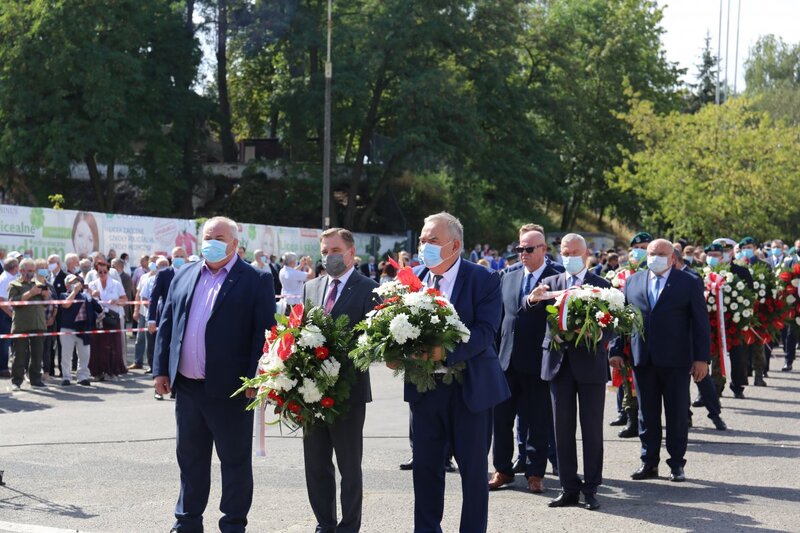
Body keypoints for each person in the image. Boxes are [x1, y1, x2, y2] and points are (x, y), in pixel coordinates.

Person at [153, 216, 275, 533]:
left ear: (235, 243)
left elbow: (264, 334)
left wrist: (255, 379)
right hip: (188, 390)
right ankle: (187, 521)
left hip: (232, 391)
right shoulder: (183, 275)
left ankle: (233, 524)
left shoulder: (255, 279)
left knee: (234, 464)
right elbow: (168, 324)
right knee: (190, 461)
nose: (211, 241)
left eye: (219, 236)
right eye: (207, 236)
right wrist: (161, 370)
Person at [408, 212, 510, 533]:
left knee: (473, 473)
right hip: (425, 392)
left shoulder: (484, 280)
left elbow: (485, 332)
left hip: (471, 391)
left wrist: (443, 353)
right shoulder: (410, 279)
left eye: (432, 241)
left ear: (455, 245)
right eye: (423, 240)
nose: (425, 246)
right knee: (425, 470)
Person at [610, 239, 711, 483]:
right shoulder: (633, 281)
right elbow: (624, 318)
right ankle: (648, 462)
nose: (654, 257)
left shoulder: (688, 282)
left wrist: (701, 359)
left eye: (661, 254)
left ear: (673, 258)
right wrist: (616, 349)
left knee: (676, 414)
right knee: (647, 413)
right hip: (643, 358)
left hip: (676, 360)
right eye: (651, 253)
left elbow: (700, 324)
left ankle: (676, 463)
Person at [301, 228, 380, 533]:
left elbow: (372, 343)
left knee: (349, 466)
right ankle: (325, 523)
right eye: (325, 251)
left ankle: (349, 526)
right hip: (310, 392)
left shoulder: (368, 289)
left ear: (350, 252)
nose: (329, 256)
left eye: (335, 250)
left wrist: (338, 358)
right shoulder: (312, 287)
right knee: (316, 465)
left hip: (349, 392)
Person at [528, 233, 611, 510]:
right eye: (565, 251)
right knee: (561, 430)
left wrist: (595, 333)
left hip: (590, 366)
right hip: (558, 365)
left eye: (575, 252)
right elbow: (529, 316)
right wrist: (531, 300)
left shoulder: (601, 285)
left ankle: (591, 488)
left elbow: (612, 323)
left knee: (591, 430)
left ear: (586, 254)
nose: (569, 257)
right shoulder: (549, 283)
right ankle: (568, 487)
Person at [490, 226, 561, 494]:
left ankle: (535, 473)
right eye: (520, 248)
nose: (523, 254)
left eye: (529, 249)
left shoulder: (557, 279)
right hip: (506, 361)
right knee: (502, 420)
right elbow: (499, 318)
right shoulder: (508, 276)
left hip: (539, 361)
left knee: (537, 421)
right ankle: (503, 469)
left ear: (543, 250)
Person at [8, 258, 49, 390]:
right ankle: (16, 381)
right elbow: (13, 303)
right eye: (29, 271)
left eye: (33, 270)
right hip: (21, 325)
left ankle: (36, 380)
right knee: (19, 355)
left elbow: (45, 304)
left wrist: (45, 295)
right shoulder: (14, 284)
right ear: (21, 270)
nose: (32, 273)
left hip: (38, 323)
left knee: (37, 354)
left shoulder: (38, 283)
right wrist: (30, 293)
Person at [88, 261, 128, 381]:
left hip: (112, 318)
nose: (103, 274)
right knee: (97, 345)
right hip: (99, 319)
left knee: (113, 345)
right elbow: (87, 301)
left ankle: (113, 371)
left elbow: (125, 299)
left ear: (109, 271)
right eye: (100, 272)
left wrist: (117, 301)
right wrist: (92, 295)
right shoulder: (92, 284)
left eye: (105, 271)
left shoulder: (116, 284)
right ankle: (98, 372)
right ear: (96, 272)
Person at [59, 275, 99, 386]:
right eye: (72, 282)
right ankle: (66, 377)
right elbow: (66, 305)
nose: (76, 284)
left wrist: (91, 296)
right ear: (67, 285)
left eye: (77, 282)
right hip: (68, 328)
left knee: (85, 354)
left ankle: (82, 376)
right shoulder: (64, 295)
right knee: (66, 354)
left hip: (84, 329)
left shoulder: (85, 296)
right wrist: (74, 292)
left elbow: (98, 308)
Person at [0, 257, 19, 378]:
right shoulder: (5, 279)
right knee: (4, 343)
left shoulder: (10, 278)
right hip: (4, 314)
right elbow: (1, 300)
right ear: (14, 267)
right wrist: (11, 314)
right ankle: (3, 368)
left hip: (7, 314)